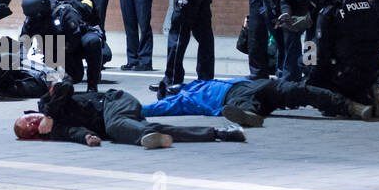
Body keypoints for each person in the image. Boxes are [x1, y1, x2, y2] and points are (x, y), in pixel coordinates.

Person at [16, 77, 243, 147]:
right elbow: (73, 132)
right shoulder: (55, 133)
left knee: (116, 128)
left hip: (115, 102)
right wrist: (87, 137)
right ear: (34, 134)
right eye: (31, 127)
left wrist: (48, 114)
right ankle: (220, 133)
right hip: (122, 122)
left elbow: (65, 85)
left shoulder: (45, 103)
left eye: (30, 119)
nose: (34, 122)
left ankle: (145, 137)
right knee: (153, 129)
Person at [142, 76, 373, 125]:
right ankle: (250, 117)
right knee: (241, 105)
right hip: (234, 95)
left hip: (253, 85)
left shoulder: (203, 81)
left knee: (301, 91)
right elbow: (153, 109)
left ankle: (352, 107)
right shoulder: (184, 99)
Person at [304, 0, 379, 111]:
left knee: (308, 52)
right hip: (374, 68)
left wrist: (311, 82)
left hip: (345, 73)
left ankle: (350, 105)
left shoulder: (327, 13)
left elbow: (321, 54)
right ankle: (370, 89)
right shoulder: (367, 3)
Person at [20, 0, 103, 91]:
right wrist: (19, 61)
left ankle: (92, 87)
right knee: (59, 85)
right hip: (54, 48)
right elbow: (24, 41)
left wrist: (65, 59)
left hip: (75, 45)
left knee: (93, 42)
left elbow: (74, 39)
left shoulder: (64, 12)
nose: (34, 18)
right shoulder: (32, 18)